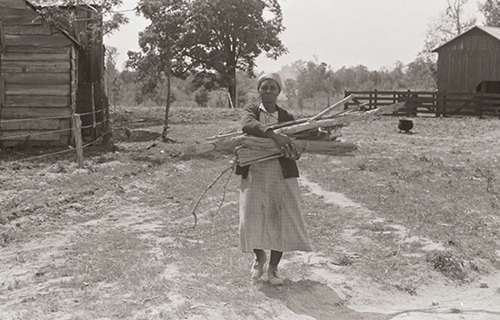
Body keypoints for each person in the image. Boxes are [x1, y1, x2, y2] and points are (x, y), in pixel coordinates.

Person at [235, 72, 312, 285]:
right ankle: (259, 258)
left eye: (273, 88)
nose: (268, 91)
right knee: (251, 216)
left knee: (281, 218)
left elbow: (297, 144)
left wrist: (293, 152)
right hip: (255, 171)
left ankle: (274, 268)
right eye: (264, 87)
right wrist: (273, 135)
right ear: (259, 90)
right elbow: (247, 125)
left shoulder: (286, 117)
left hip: (281, 173)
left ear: (279, 92)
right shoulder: (251, 110)